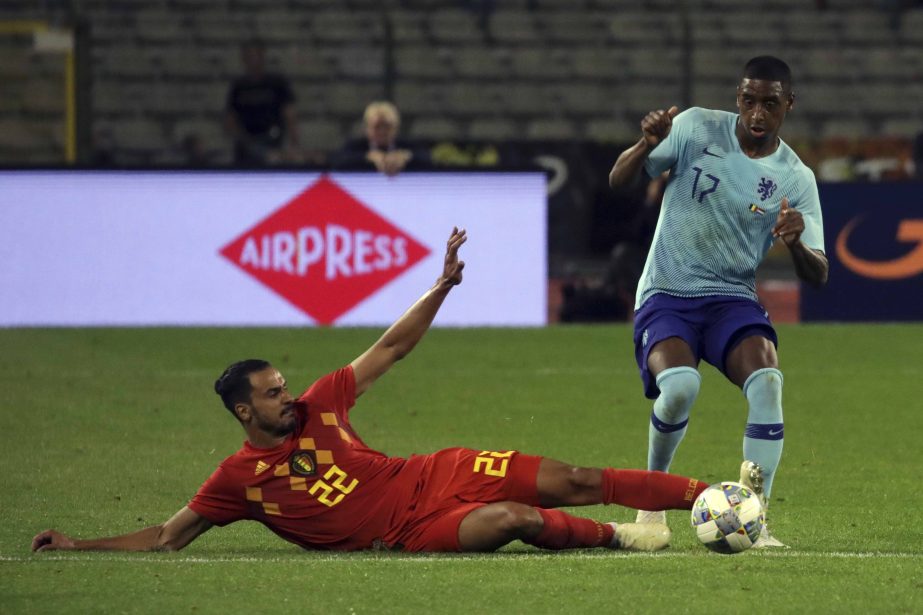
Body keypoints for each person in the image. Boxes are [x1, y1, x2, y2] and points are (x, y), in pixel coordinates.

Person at [31, 228, 749, 555]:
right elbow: (163, 536)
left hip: (431, 472)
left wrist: (439, 287)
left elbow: (393, 346)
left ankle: (700, 496)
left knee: (574, 476)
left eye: (285, 386)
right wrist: (76, 545)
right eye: (273, 394)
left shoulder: (325, 401)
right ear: (245, 412)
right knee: (512, 521)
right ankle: (619, 537)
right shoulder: (237, 480)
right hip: (403, 534)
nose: (289, 397)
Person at [608, 56, 829, 548]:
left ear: (788, 105)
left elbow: (819, 274)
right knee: (681, 386)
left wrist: (795, 244)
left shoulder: (795, 178)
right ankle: (651, 503)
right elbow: (618, 181)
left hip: (731, 297)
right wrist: (645, 143)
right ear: (738, 98)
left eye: (770, 104)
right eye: (749, 100)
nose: (757, 113)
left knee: (768, 380)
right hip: (667, 290)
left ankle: (758, 516)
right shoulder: (693, 128)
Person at [225, 40, 301, 166]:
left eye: (256, 56)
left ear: (263, 57)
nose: (253, 60)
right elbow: (230, 118)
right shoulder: (238, 87)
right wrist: (241, 138)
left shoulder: (277, 83)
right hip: (247, 141)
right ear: (244, 59)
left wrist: (294, 143)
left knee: (273, 157)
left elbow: (289, 114)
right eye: (249, 56)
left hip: (272, 138)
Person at [331, 101, 429, 176]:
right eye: (377, 127)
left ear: (396, 128)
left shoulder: (408, 145)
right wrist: (368, 157)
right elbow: (338, 161)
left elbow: (428, 159)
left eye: (387, 126)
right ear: (367, 128)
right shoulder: (355, 146)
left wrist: (406, 157)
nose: (382, 132)